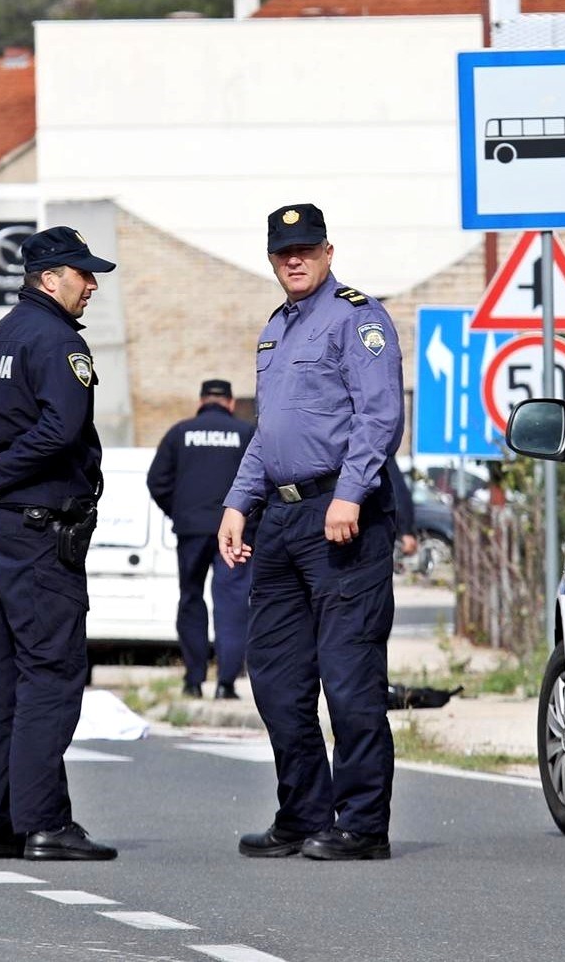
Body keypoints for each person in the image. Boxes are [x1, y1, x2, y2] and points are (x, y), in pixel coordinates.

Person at [218, 203, 405, 861]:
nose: (293, 260)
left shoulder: (358, 317)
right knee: (273, 674)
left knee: (349, 678)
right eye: (281, 253)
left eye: (305, 249)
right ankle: (302, 812)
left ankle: (360, 824)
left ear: (327, 252)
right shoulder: (276, 329)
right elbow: (269, 433)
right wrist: (239, 502)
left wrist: (350, 493)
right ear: (272, 260)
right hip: (281, 517)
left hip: (340, 516)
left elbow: (379, 417)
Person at [0, 226, 119, 862]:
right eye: (83, 274)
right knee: (50, 671)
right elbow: (62, 427)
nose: (92, 285)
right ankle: (44, 822)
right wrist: (4, 469)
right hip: (38, 529)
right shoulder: (57, 342)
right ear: (50, 279)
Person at [148, 379, 256, 700]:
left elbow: (157, 481)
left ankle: (193, 681)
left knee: (191, 599)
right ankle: (226, 683)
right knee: (232, 602)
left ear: (200, 401)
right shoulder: (246, 434)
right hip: (235, 532)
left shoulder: (180, 433)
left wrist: (180, 512)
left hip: (191, 530)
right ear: (231, 402)